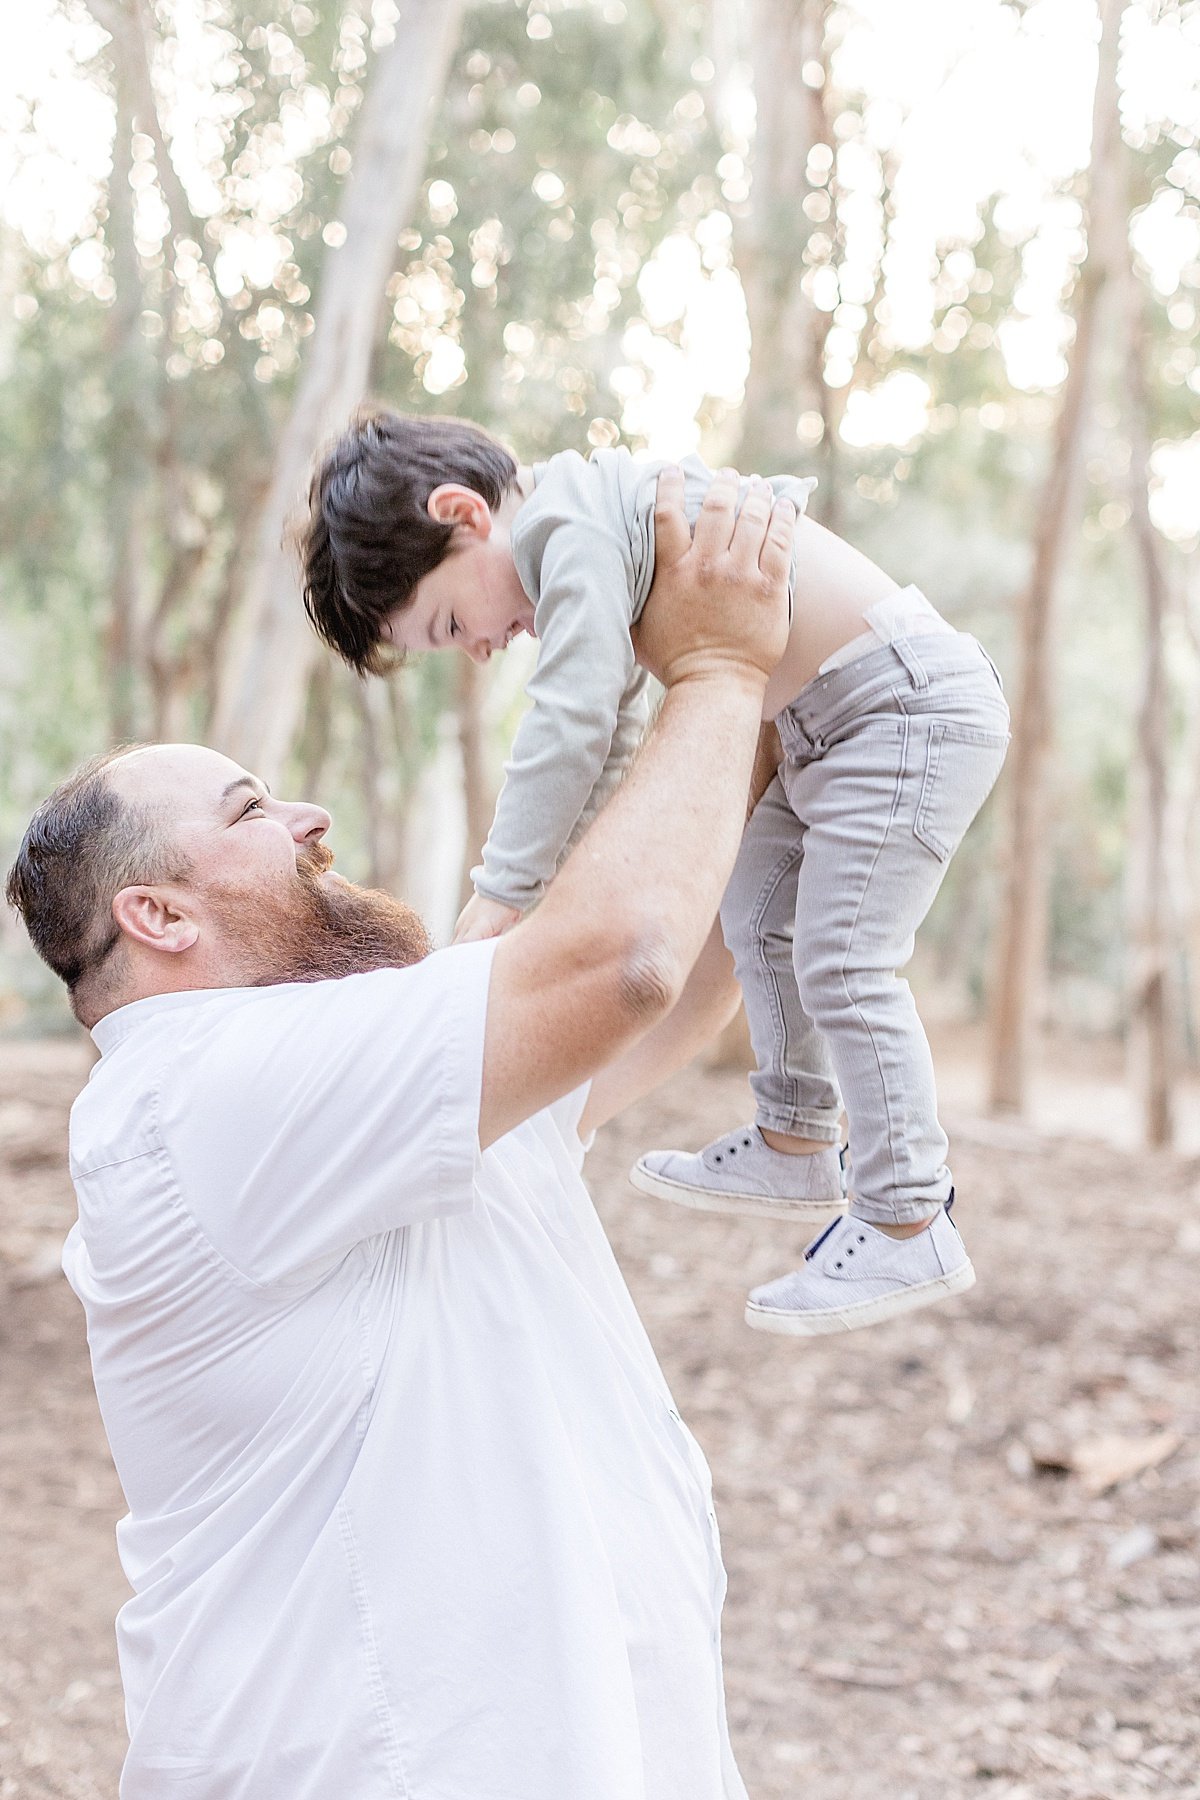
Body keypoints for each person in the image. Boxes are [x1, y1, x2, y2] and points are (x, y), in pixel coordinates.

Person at [5, 471, 791, 1800]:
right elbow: (626, 965)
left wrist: (765, 723)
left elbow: (683, 996)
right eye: (253, 813)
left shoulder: (347, 1078)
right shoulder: (201, 1096)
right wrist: (714, 667)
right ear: (162, 919)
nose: (311, 820)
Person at [301, 410, 1011, 1338]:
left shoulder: (566, 525)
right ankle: (799, 1138)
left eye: (450, 622)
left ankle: (907, 1214)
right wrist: (565, 883)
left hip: (902, 711)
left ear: (463, 513)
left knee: (843, 957)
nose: (479, 647)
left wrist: (505, 888)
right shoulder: (597, 526)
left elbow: (572, 720)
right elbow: (619, 739)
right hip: (828, 728)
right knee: (759, 919)